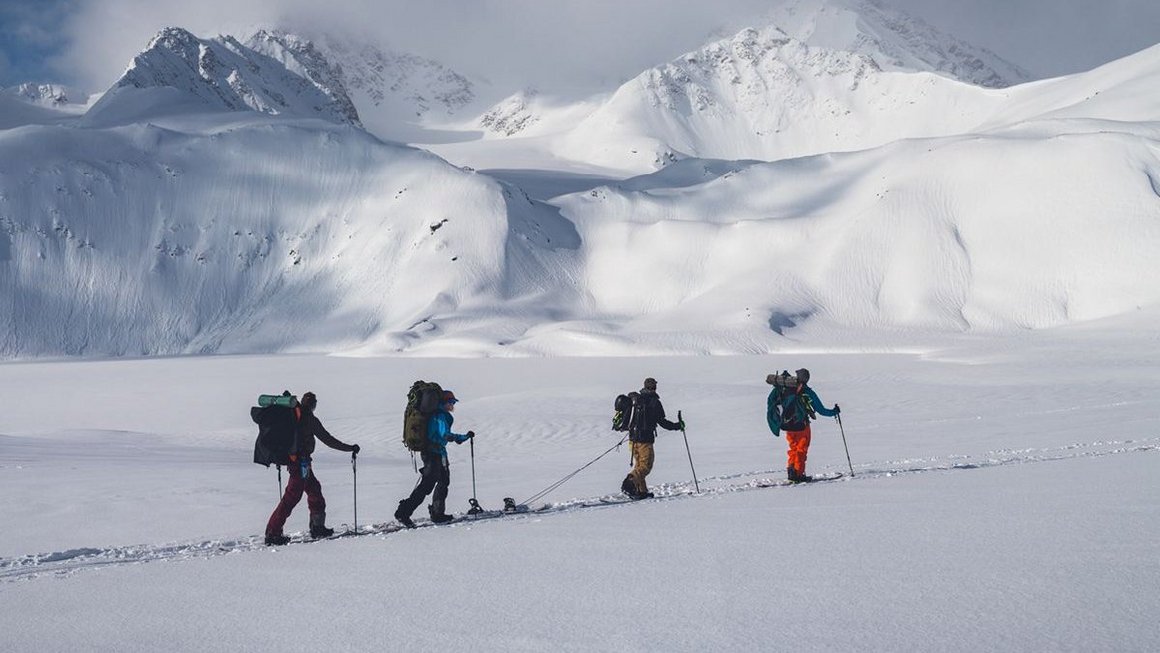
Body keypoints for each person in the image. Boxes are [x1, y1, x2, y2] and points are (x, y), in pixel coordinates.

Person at [265, 391, 360, 545]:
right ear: (313, 405)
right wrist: (350, 448)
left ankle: (318, 527)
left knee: (314, 490)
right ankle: (272, 533)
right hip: (299, 463)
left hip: (301, 463)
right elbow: (328, 440)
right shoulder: (309, 419)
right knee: (291, 498)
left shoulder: (294, 416)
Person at [394, 389, 474, 528]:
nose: (453, 405)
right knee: (427, 485)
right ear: (444, 402)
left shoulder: (439, 414)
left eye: (453, 402)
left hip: (438, 453)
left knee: (443, 481)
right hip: (433, 454)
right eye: (452, 402)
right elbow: (445, 435)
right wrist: (462, 437)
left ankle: (438, 514)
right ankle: (403, 512)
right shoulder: (440, 415)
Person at [767, 369, 839, 482]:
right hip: (802, 426)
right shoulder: (806, 391)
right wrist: (834, 412)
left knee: (793, 448)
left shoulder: (784, 389)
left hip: (787, 425)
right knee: (801, 449)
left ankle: (791, 471)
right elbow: (821, 410)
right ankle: (798, 474)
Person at [620, 377, 683, 499]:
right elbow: (662, 422)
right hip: (645, 440)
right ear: (654, 387)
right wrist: (677, 426)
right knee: (645, 466)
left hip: (632, 440)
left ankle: (641, 492)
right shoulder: (654, 402)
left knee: (639, 465)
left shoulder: (636, 400)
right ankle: (629, 483)